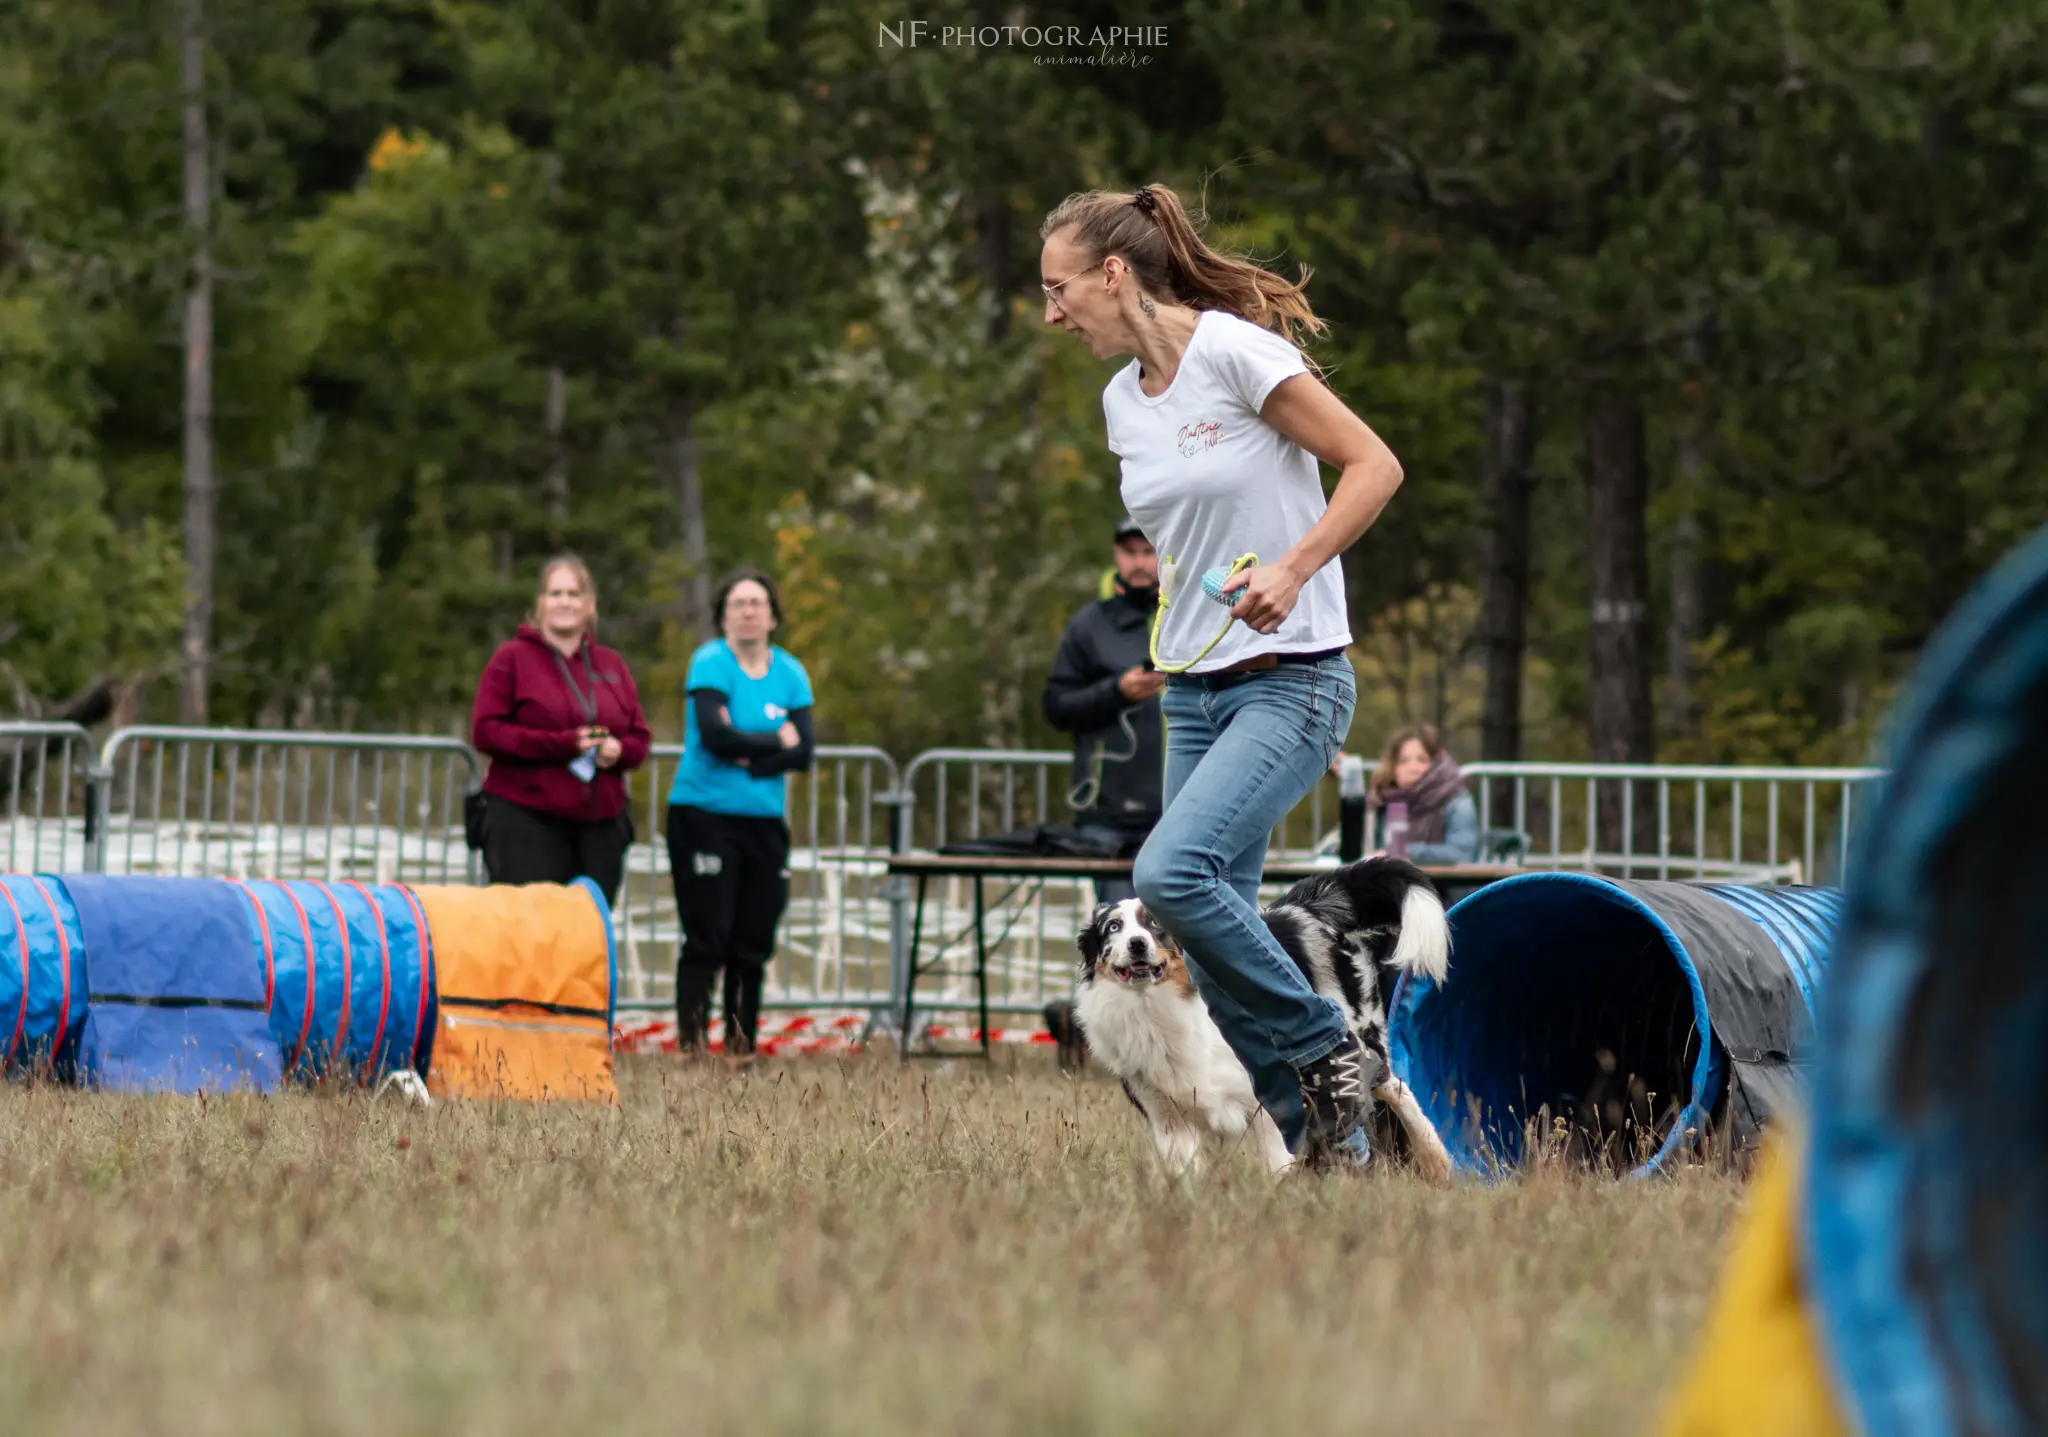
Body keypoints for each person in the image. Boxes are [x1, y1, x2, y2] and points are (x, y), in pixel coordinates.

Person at [1039, 181, 1406, 1170]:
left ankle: (1329, 1049)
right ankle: (1330, 1160)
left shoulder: (1237, 353)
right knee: (1212, 938)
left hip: (1292, 680)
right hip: (1195, 688)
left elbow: (1373, 465)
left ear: (1113, 274)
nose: (1049, 312)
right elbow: (1190, 539)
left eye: (1058, 287)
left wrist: (1291, 567)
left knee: (1164, 876)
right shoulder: (1122, 401)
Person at [665, 568, 815, 1059]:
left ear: (773, 615)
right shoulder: (710, 663)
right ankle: (690, 1048)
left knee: (753, 940)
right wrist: (775, 741)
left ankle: (741, 1047)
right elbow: (714, 736)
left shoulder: (790, 672)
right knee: (708, 936)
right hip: (703, 813)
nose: (748, 611)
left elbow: (805, 752)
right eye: (738, 603)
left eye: (757, 603)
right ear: (723, 614)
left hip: (764, 821)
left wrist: (749, 755)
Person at [470, 555, 651, 906]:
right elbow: (486, 731)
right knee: (528, 936)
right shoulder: (511, 659)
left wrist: (618, 750)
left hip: (601, 823)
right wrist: (563, 744)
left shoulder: (611, 665)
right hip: (525, 818)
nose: (565, 602)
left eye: (573, 593)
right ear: (540, 603)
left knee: (588, 937)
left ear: (589, 604)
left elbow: (640, 738)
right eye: (555, 594)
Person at [1042, 513, 1166, 905]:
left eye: (1149, 551)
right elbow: (1057, 707)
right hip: (1106, 816)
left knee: (1176, 942)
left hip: (1178, 812)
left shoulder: (1189, 617)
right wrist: (1118, 691)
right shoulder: (1088, 626)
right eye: (1130, 553)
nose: (1140, 563)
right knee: (1119, 935)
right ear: (1116, 555)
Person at [1365, 724, 1480, 865]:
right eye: (1403, 761)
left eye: (1421, 760)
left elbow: (1462, 854)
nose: (1413, 768)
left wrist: (1404, 852)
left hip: (1444, 884)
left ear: (1436, 764)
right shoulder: (1380, 801)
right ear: (1392, 767)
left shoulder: (1456, 800)